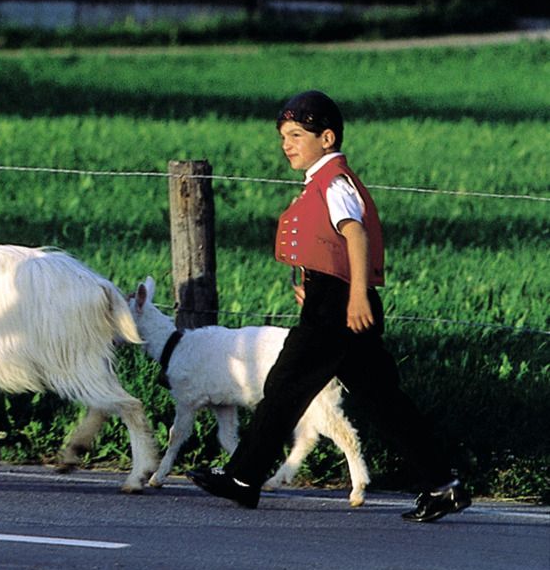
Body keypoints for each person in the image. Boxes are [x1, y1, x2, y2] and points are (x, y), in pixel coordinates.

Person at [191, 89, 467, 522]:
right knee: (382, 399)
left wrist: (355, 295)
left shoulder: (334, 182)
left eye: (296, 135)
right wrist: (316, 285)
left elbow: (355, 235)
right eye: (283, 136)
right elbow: (330, 244)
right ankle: (443, 485)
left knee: (285, 385)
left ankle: (243, 477)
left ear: (327, 138)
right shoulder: (322, 181)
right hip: (332, 297)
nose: (287, 144)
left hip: (337, 305)